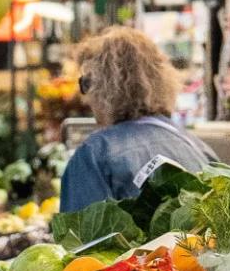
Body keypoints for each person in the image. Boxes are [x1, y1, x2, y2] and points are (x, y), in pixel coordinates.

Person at [60, 26, 217, 213]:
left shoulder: (94, 155)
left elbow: (82, 238)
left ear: (101, 88)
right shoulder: (196, 147)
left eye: (85, 84)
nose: (86, 99)